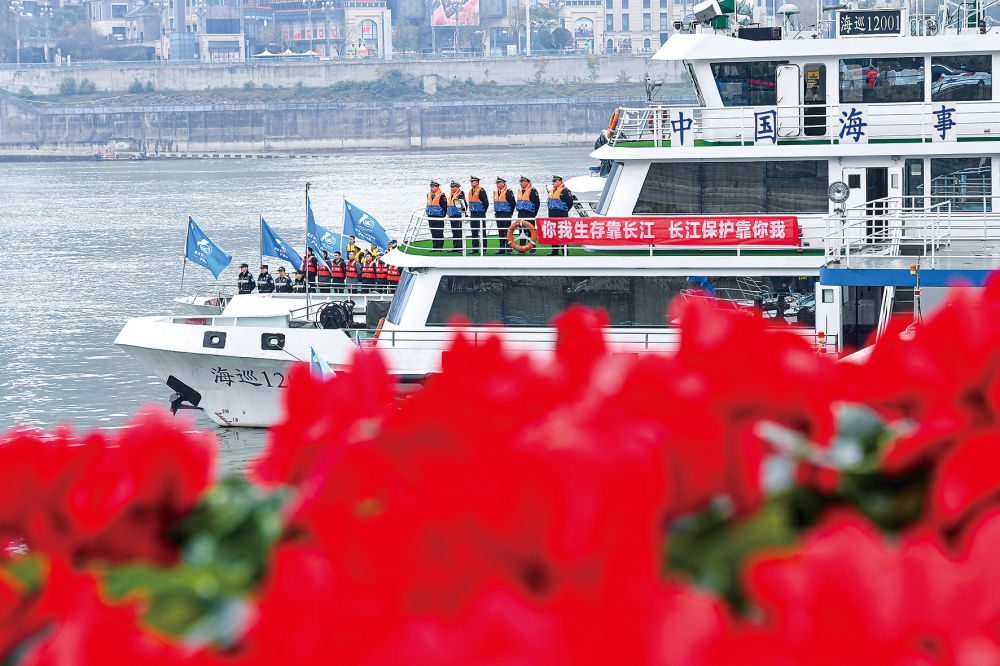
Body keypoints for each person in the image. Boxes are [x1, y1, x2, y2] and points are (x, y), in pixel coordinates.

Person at [546, 175, 575, 256]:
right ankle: (554, 251)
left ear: (560, 181)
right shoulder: (551, 190)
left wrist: (564, 211)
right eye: (553, 181)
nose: (553, 183)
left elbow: (570, 203)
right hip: (552, 214)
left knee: (563, 233)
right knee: (554, 233)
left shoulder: (565, 191)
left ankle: (564, 251)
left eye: (555, 181)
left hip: (562, 214)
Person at [515, 175, 540, 255]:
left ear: (526, 182)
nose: (521, 183)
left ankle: (532, 249)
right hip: (521, 214)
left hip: (529, 214)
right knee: (521, 231)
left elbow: (537, 203)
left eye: (522, 182)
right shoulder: (520, 190)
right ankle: (521, 249)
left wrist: (534, 214)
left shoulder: (533, 191)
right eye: (520, 182)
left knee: (531, 232)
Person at [493, 176, 515, 254]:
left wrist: (510, 213)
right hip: (498, 214)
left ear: (503, 183)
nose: (497, 184)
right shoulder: (495, 192)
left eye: (499, 183)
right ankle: (502, 248)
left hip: (506, 214)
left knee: (508, 232)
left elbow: (513, 203)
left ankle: (509, 248)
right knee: (500, 232)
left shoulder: (508, 192)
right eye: (497, 183)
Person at [467, 176, 489, 253]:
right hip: (473, 214)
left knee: (482, 232)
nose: (471, 183)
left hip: (480, 214)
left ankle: (484, 249)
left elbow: (486, 203)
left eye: (473, 181)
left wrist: (482, 212)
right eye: (471, 181)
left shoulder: (481, 191)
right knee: (474, 232)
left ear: (477, 182)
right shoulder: (470, 191)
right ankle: (475, 248)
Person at [426, 180, 447, 250]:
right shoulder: (428, 195)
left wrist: (443, 215)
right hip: (430, 216)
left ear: (437, 187)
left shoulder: (442, 195)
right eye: (431, 186)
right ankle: (435, 246)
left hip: (438, 216)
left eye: (433, 186)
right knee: (433, 232)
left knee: (439, 232)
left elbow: (444, 206)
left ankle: (440, 247)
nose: (431, 188)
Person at [447, 180, 467, 252]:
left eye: (453, 187)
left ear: (457, 187)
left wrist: (463, 213)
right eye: (451, 187)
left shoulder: (460, 194)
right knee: (454, 232)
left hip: (458, 215)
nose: (452, 188)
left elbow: (464, 204)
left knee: (459, 232)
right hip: (452, 215)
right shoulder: (451, 194)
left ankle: (460, 247)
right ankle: (455, 247)